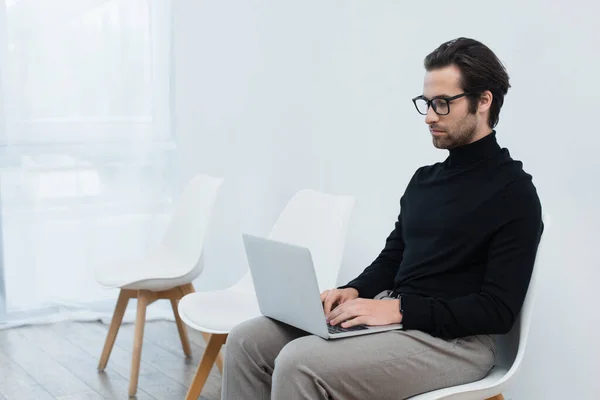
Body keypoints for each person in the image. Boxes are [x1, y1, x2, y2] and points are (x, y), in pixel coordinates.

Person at [221, 37, 543, 400]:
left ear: (483, 101)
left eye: (442, 103)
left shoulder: (514, 193)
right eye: (426, 103)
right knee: (247, 341)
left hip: (457, 344)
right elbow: (393, 258)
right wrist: (353, 290)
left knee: (300, 362)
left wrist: (399, 309)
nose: (430, 116)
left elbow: (497, 311)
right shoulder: (424, 181)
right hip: (397, 320)